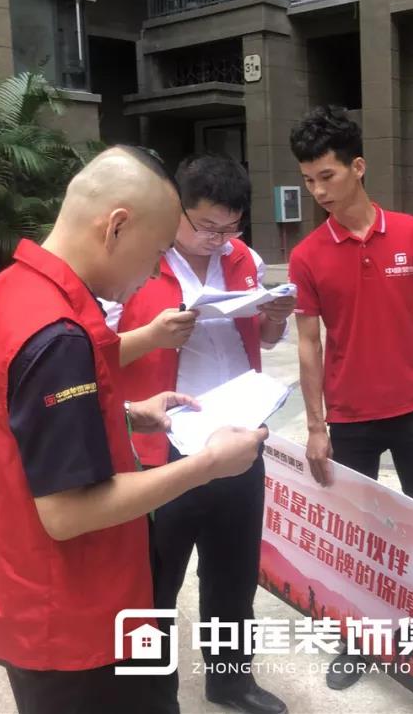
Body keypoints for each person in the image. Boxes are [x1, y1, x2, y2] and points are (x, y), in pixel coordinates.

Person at [0, 146, 269, 714]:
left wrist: (123, 413)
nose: (153, 271)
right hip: (65, 614)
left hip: (14, 585)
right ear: (116, 227)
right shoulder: (58, 334)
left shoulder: (8, 292)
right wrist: (209, 464)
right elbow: (69, 511)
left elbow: (18, 422)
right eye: (156, 251)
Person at [286, 105, 413, 693]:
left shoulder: (412, 233)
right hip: (350, 419)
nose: (318, 191)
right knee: (355, 536)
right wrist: (317, 425)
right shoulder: (307, 256)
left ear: (358, 166)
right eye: (308, 180)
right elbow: (308, 345)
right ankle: (358, 637)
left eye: (327, 176)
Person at [108, 154, 294, 714]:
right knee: (155, 582)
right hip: (165, 446)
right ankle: (150, 696)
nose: (219, 239)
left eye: (230, 227)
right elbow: (96, 353)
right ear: (177, 210)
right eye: (207, 226)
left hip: (237, 435)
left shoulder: (243, 259)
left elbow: (263, 337)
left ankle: (230, 681)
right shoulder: (137, 263)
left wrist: (275, 315)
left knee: (233, 571)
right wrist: (152, 335)